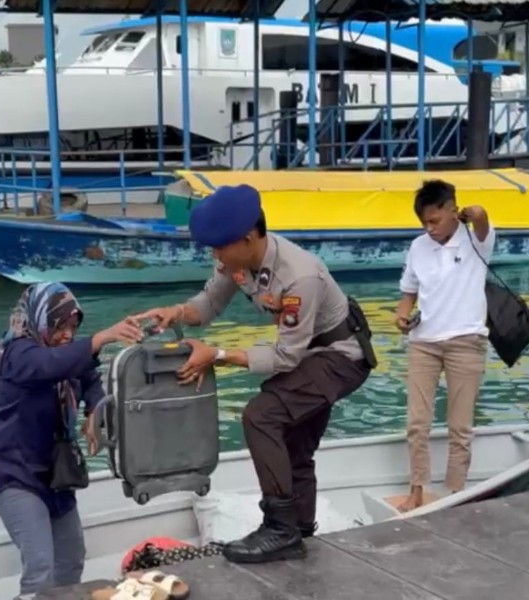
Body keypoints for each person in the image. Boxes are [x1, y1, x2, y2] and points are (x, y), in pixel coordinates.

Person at [131, 184, 376, 564]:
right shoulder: (237, 261)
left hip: (340, 356)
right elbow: (209, 304)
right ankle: (298, 528)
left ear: (247, 238)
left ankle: (279, 529)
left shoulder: (299, 276)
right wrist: (176, 312)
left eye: (219, 247)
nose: (215, 255)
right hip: (309, 353)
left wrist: (218, 355)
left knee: (262, 416)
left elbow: (286, 356)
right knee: (294, 441)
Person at [0, 282, 143, 599]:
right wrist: (101, 338)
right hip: (13, 472)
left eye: (73, 327)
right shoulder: (19, 353)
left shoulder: (66, 354)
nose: (68, 334)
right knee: (40, 567)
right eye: (60, 326)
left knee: (71, 558)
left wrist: (94, 409)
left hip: (55, 473)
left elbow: (89, 379)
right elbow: (50, 366)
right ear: (39, 321)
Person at [395, 179, 494, 512]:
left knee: (460, 426)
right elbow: (408, 291)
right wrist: (402, 316)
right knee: (417, 423)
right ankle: (417, 489)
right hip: (423, 342)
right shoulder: (418, 246)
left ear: (453, 212)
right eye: (424, 221)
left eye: (435, 220)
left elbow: (481, 216)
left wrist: (469, 213)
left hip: (466, 342)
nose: (429, 228)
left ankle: (455, 492)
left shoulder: (476, 240)